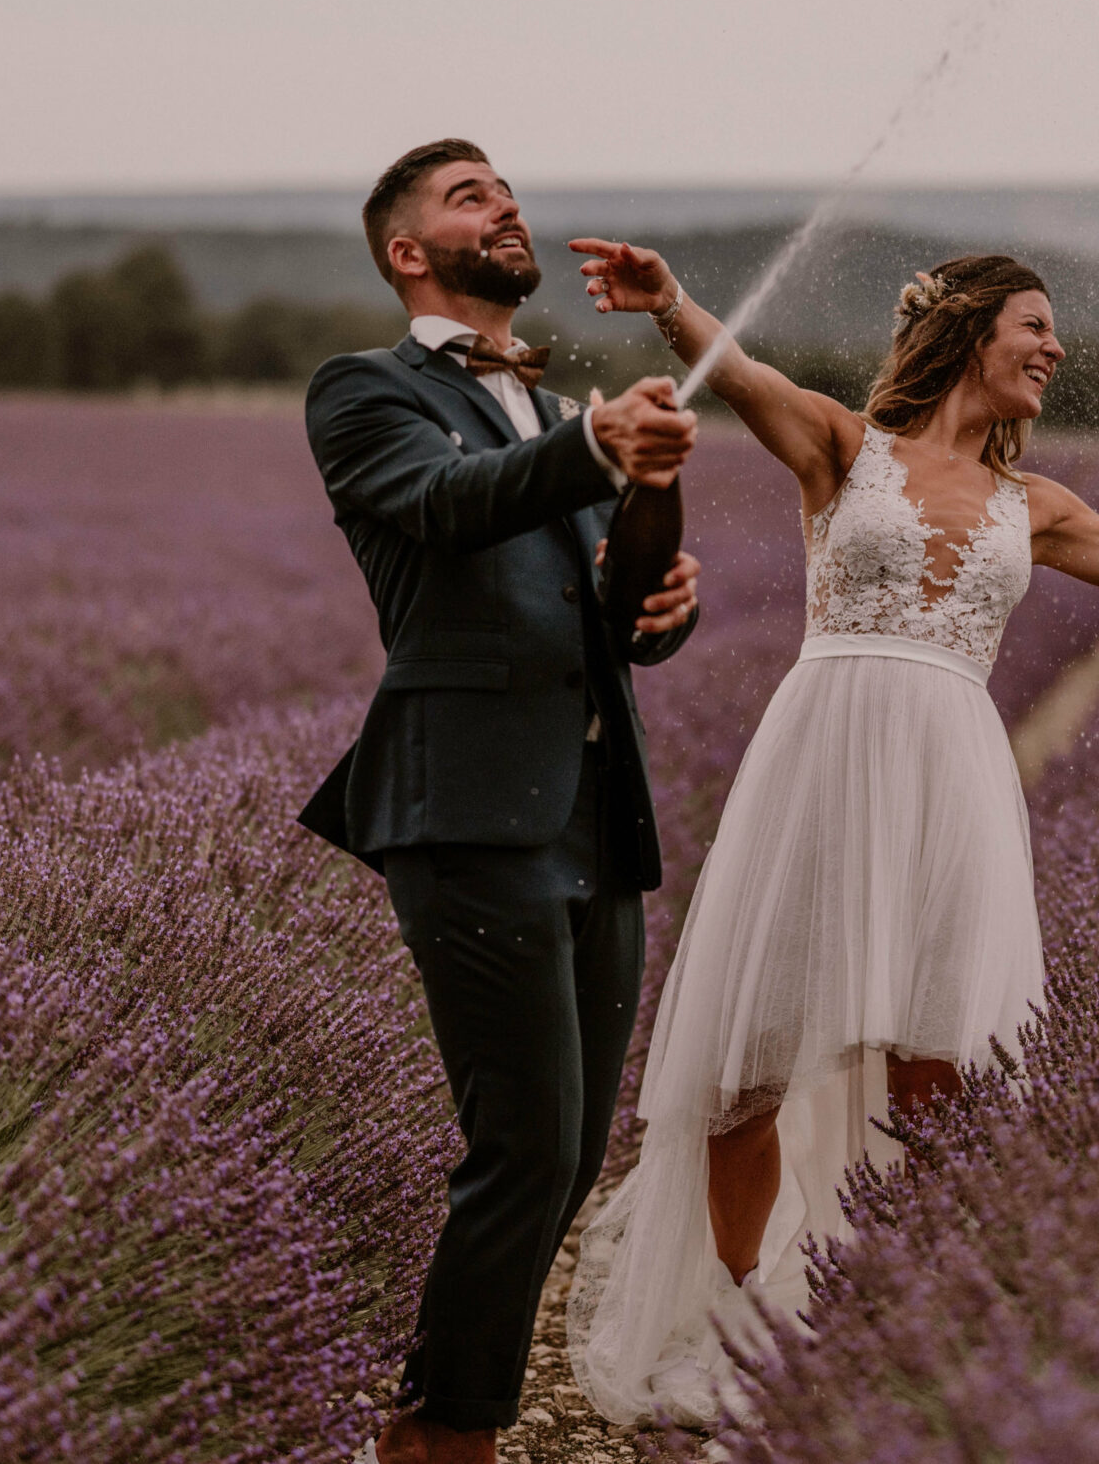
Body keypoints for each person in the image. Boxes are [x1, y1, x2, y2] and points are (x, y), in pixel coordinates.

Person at [559, 244, 1099, 1427]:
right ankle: (740, 1316)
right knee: (749, 1065)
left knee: (939, 1067)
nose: (1055, 349)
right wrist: (667, 305)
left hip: (952, 777)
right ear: (970, 330)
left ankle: (908, 1314)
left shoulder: (1037, 505)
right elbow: (740, 369)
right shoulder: (842, 446)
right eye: (1035, 325)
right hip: (822, 757)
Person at [300, 140, 704, 1464]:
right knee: (522, 1140)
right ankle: (442, 1431)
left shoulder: (541, 406)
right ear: (409, 250)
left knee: (572, 1150)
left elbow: (608, 620)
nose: (508, 207)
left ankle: (440, 1415)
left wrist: (654, 539)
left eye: (509, 192)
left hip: (592, 808)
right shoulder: (366, 394)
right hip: (466, 807)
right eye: (472, 195)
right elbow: (448, 503)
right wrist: (596, 440)